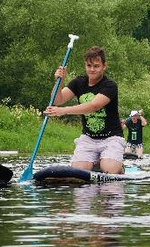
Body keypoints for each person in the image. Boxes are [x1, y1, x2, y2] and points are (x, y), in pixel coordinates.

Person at [44, 46, 125, 174]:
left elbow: (93, 106)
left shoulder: (109, 85)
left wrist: (63, 111)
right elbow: (57, 100)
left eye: (96, 66)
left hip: (112, 137)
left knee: (109, 169)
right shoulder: (78, 82)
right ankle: (96, 162)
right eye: (89, 65)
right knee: (78, 171)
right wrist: (59, 81)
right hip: (88, 138)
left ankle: (117, 166)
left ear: (104, 66)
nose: (92, 69)